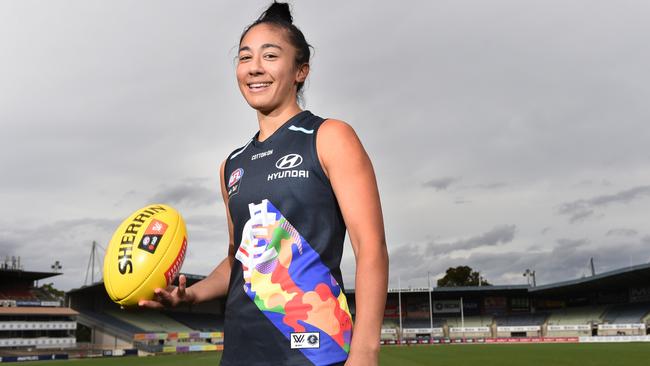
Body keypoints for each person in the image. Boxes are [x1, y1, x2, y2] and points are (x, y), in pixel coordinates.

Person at [139, 2, 388, 365]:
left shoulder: (329, 137)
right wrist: (190, 295)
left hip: (312, 351)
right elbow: (237, 260)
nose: (254, 67)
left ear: (300, 70)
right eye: (245, 58)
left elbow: (371, 247)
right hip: (241, 350)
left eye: (270, 55)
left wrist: (365, 351)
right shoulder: (231, 165)